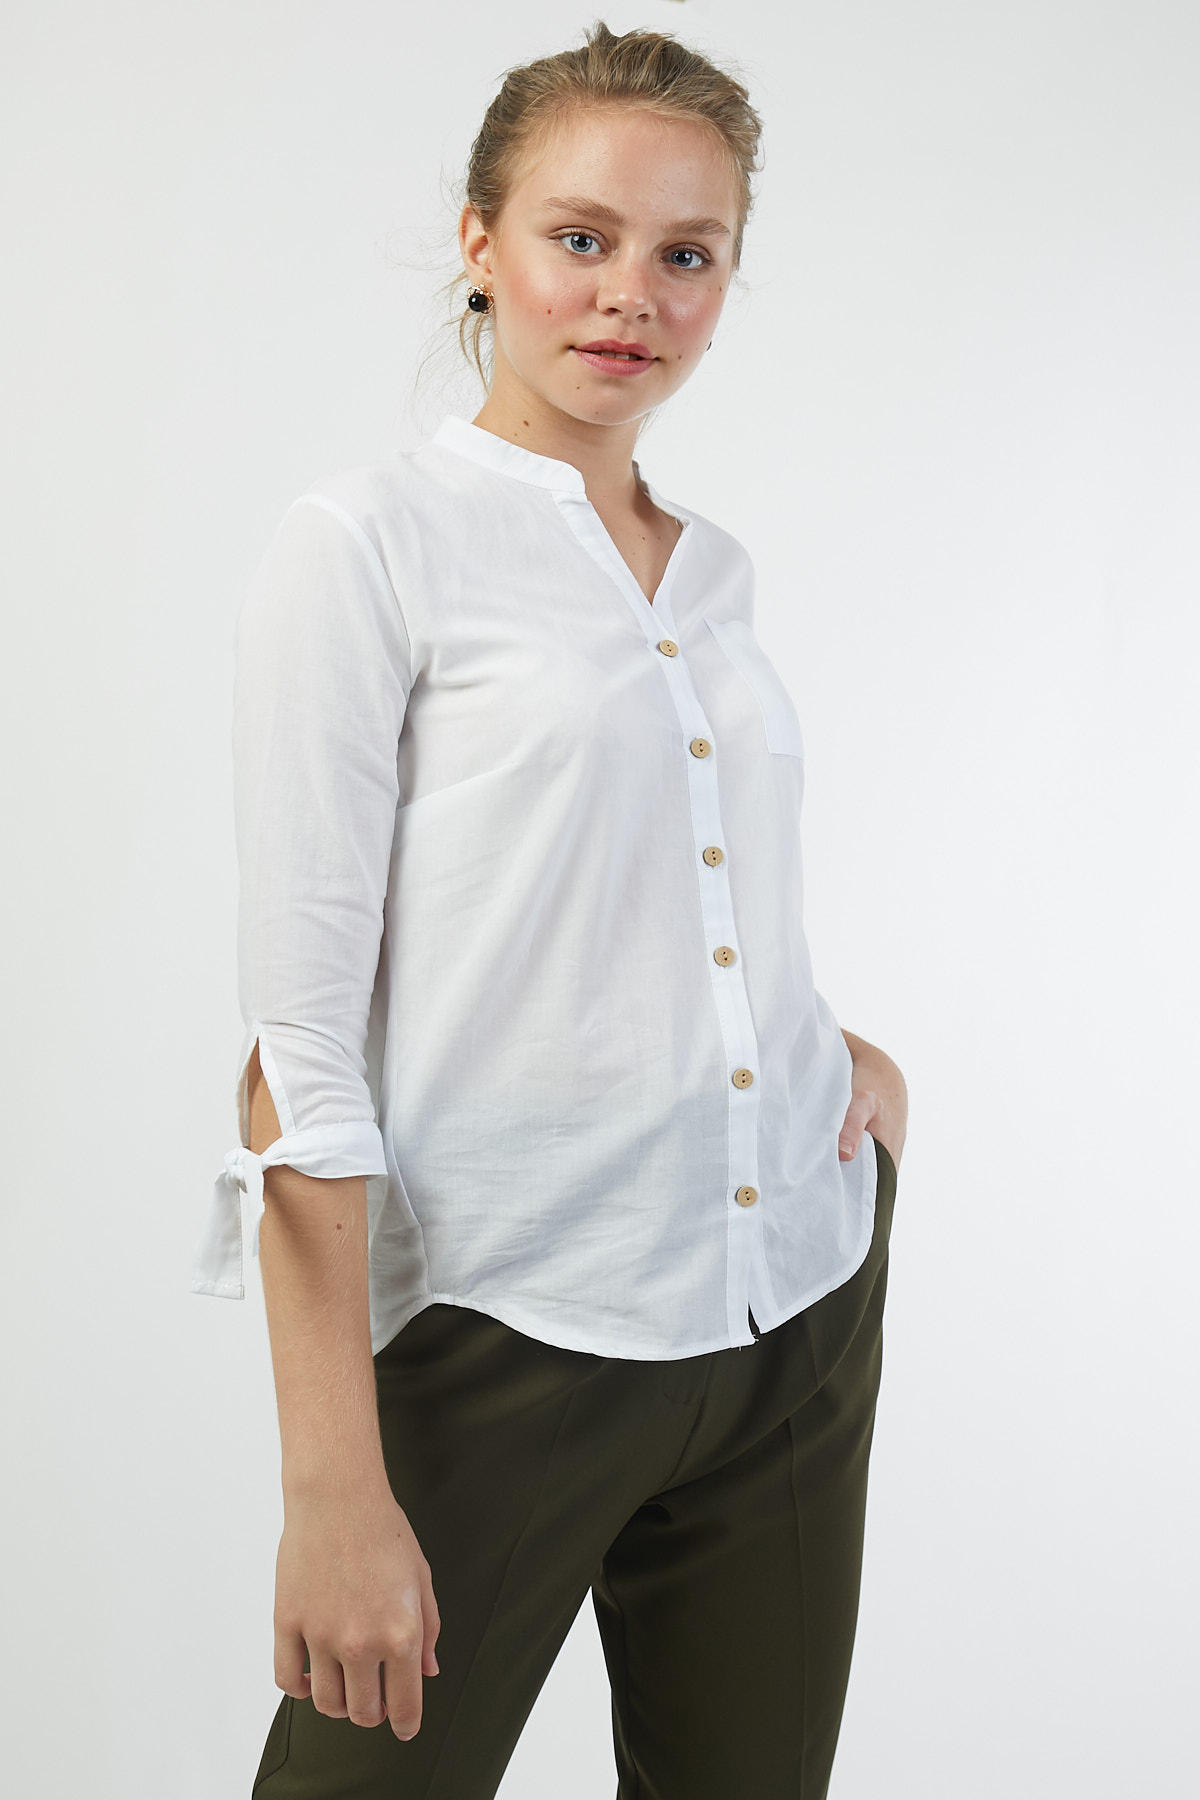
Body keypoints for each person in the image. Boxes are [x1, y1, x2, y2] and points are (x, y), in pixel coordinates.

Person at [192, 20, 908, 1800]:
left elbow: (664, 897)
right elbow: (296, 1055)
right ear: (480, 242)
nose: (631, 296)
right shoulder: (368, 546)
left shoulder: (715, 571)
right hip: (515, 1326)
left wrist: (841, 1055)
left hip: (794, 1305)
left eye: (689, 253)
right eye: (580, 237)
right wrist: (332, 1491)